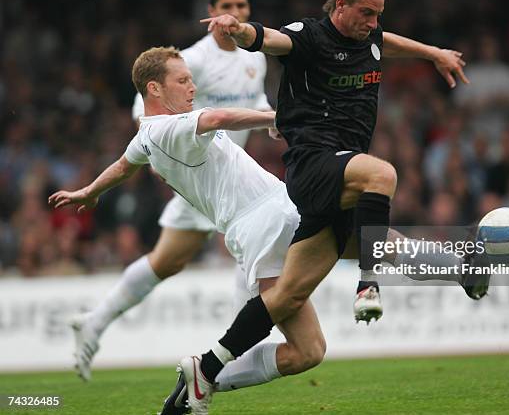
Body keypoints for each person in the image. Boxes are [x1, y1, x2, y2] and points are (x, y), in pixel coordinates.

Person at [168, 0, 481, 415]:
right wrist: (239, 31)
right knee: (383, 176)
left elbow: (384, 42)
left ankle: (207, 369)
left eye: (378, 14)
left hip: (338, 179)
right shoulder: (309, 36)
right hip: (314, 164)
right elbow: (271, 39)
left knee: (295, 306)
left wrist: (433, 52)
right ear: (340, 5)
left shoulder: (368, 34)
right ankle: (367, 287)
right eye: (367, 13)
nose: (374, 23)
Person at [49, 47, 327, 414]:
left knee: (308, 352)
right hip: (265, 222)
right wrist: (276, 116)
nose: (192, 87)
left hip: (270, 214)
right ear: (155, 89)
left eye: (192, 79)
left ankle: (201, 378)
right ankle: (206, 371)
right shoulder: (170, 128)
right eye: (182, 81)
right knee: (361, 238)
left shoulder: (147, 135)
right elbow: (219, 117)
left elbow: (122, 166)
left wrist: (90, 192)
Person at [67, 0, 275, 382]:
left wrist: (271, 121)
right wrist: (163, 152)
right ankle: (235, 348)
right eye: (227, 7)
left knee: (169, 260)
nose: (236, 14)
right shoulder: (192, 59)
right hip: (198, 173)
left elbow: (257, 101)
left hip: (227, 175)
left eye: (243, 7)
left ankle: (94, 321)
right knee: (232, 247)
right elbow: (142, 109)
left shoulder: (255, 55)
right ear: (212, 13)